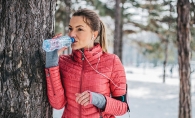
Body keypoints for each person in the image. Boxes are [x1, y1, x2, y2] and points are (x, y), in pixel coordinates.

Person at [45, 8, 129, 118]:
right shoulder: (63, 62)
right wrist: (51, 60)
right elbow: (58, 104)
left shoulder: (112, 61)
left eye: (79, 29)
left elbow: (123, 107)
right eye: (70, 28)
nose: (72, 34)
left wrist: (98, 99)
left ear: (94, 34)